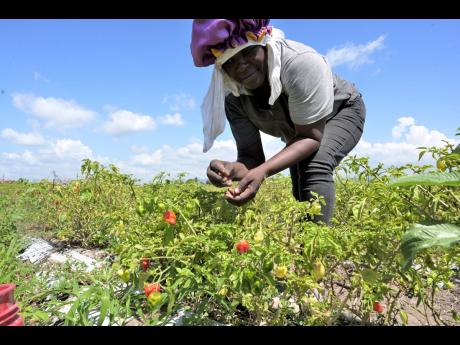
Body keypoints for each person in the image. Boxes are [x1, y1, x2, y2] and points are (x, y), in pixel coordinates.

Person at [190, 19, 366, 225]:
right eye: (230, 62)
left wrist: (263, 172)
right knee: (300, 186)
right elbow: (251, 158)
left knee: (314, 166)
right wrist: (230, 169)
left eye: (247, 53)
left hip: (340, 110)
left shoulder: (301, 64)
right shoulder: (234, 98)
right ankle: (301, 244)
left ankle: (317, 251)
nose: (241, 66)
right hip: (300, 131)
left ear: (264, 44)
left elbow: (311, 136)